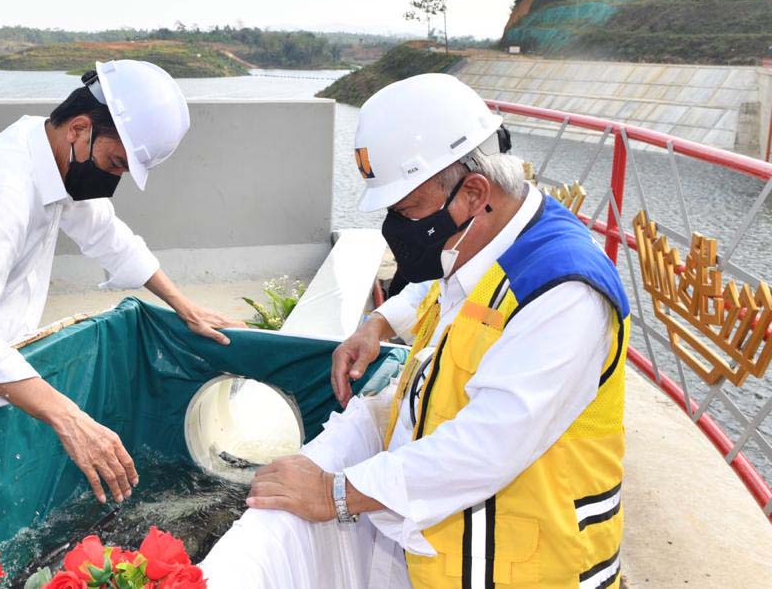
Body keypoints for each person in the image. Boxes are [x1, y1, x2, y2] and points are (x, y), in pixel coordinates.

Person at [242, 74, 630, 588]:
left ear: (474, 192)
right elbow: (443, 286)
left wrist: (334, 492)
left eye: (407, 211)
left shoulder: (563, 293)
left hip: (538, 572)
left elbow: (487, 445)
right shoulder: (496, 235)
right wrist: (380, 322)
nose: (398, 229)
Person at [0, 60, 244, 507]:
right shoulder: (6, 191)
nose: (112, 179)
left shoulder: (51, 153)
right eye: (115, 163)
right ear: (79, 128)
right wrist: (70, 419)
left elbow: (108, 235)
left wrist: (184, 306)